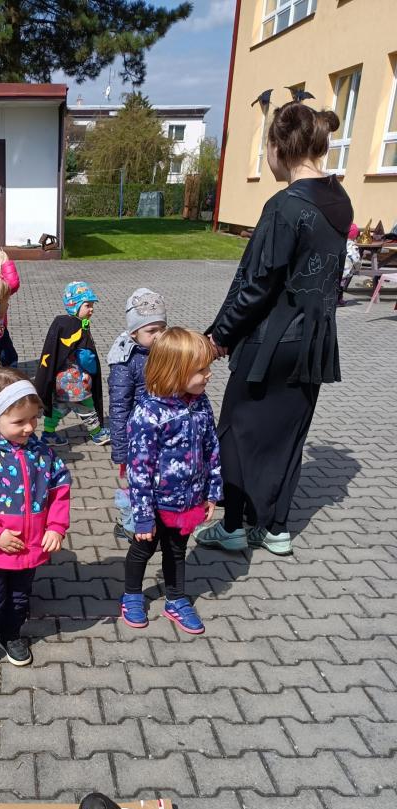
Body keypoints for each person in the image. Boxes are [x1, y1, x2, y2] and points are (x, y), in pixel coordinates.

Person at [194, 101, 353, 558]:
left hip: (271, 342)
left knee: (235, 429)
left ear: (279, 147)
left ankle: (233, 526)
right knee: (288, 433)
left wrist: (219, 336)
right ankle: (275, 528)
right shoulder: (340, 198)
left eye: (266, 147)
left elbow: (258, 284)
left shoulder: (285, 205)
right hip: (314, 341)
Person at [0, 367, 72, 683]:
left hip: (28, 549)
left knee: (19, 600)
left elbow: (60, 487)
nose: (29, 427)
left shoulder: (42, 452)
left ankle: (10, 635)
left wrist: (56, 526)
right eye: (19, 422)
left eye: (33, 418)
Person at [122, 328, 222, 636]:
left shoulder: (200, 403)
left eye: (207, 367)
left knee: (177, 551)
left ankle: (176, 599)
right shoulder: (149, 413)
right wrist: (143, 515)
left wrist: (212, 493)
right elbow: (139, 469)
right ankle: (132, 595)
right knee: (142, 549)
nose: (208, 375)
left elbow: (212, 448)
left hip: (188, 500)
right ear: (174, 371)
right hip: (154, 503)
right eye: (201, 370)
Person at [35, 282, 109, 446]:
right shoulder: (76, 326)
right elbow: (85, 357)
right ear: (74, 306)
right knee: (87, 406)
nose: (91, 309)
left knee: (58, 407)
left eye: (92, 305)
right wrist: (92, 367)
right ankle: (97, 434)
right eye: (87, 305)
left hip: (60, 381)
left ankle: (48, 433)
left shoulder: (61, 324)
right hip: (76, 381)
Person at [108, 288, 168, 471]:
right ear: (134, 332)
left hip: (166, 431)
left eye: (163, 329)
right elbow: (119, 408)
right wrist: (121, 451)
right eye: (152, 330)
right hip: (140, 436)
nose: (159, 335)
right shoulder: (124, 363)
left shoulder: (166, 352)